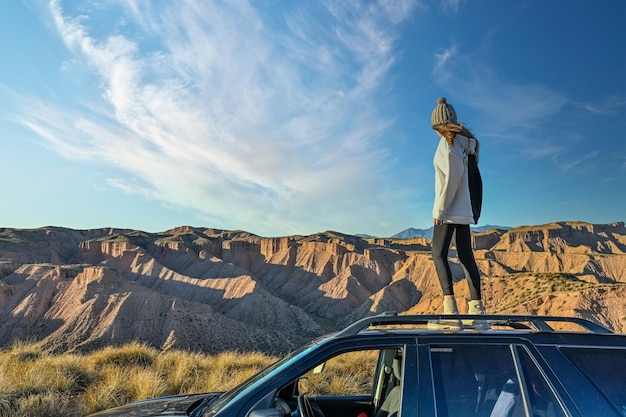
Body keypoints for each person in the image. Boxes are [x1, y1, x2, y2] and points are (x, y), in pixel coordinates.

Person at [430, 97, 485, 322]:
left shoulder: (449, 144)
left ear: (439, 125)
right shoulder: (468, 145)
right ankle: (477, 312)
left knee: (438, 254)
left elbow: (451, 179)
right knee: (465, 256)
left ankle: (450, 312)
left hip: (450, 209)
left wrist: (439, 211)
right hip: (465, 210)